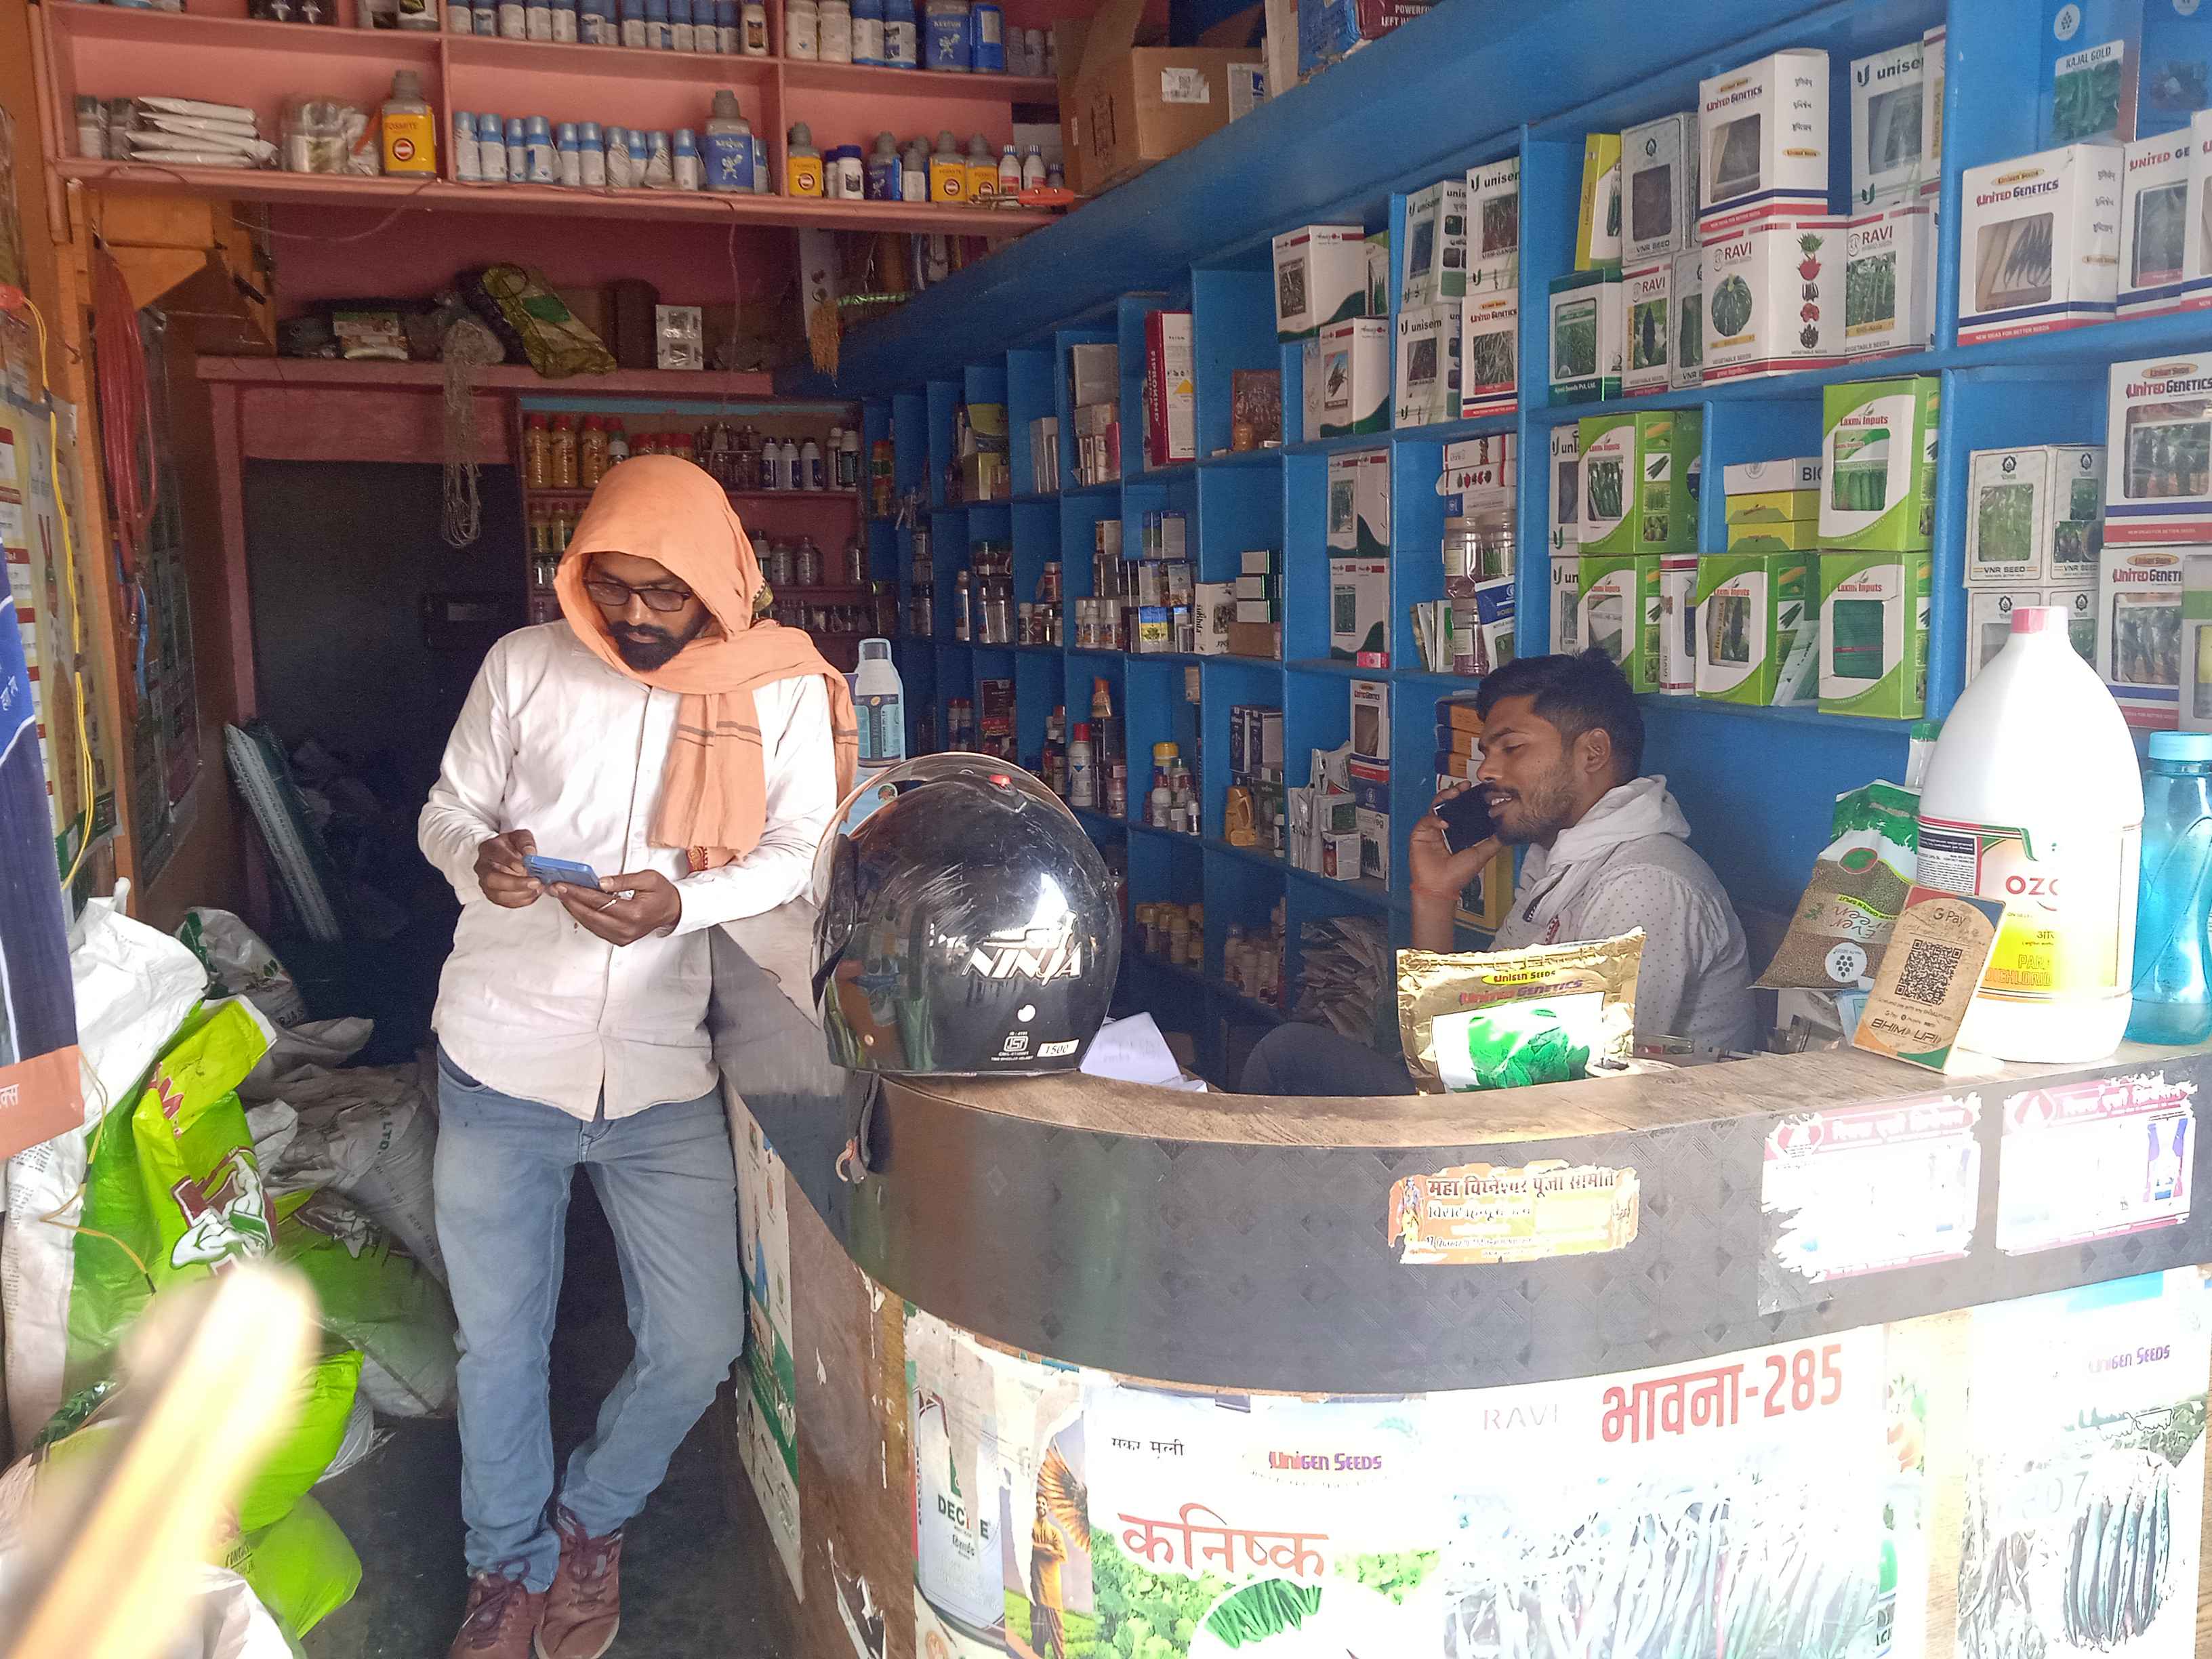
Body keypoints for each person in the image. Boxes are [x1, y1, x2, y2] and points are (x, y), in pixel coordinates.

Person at [417, 455, 857, 1659]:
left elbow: (798, 846)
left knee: (699, 1338)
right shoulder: (525, 665)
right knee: (498, 1342)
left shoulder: (773, 687)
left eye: (663, 593)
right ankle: (503, 1566)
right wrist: (483, 861)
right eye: (609, 587)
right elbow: (447, 809)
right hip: (501, 1054)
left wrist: (683, 903)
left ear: (718, 579)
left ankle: (589, 1518)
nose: (634, 616)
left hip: (660, 1068)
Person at [1241, 649, 1755, 1095]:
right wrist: (1435, 895)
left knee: (1287, 1057)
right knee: (1292, 1053)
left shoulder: (1644, 882)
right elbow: (1453, 1037)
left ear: (1593, 752)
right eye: (1487, 753)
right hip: (1510, 1104)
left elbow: (1587, 1086)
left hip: (1584, 1143)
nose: (1486, 770)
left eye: (1513, 748)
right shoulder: (1559, 861)